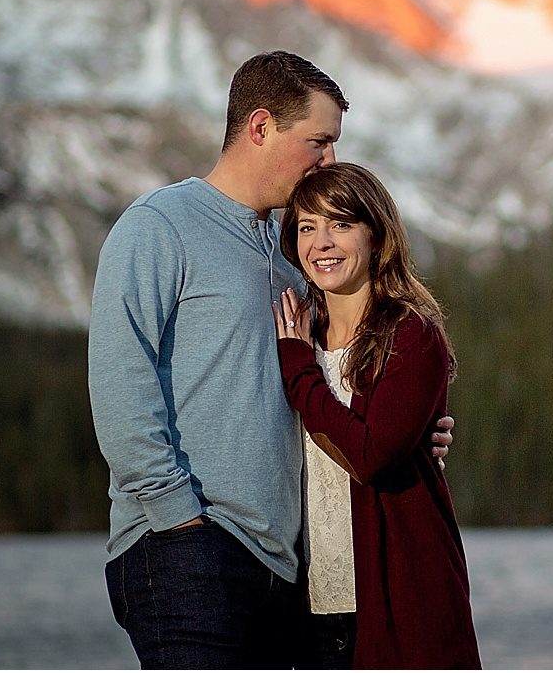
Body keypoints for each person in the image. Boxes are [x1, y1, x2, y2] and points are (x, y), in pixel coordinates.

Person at [88, 51, 454, 669]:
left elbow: (320, 391)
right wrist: (179, 519)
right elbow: (120, 384)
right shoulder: (158, 227)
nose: (329, 160)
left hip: (285, 577)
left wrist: (411, 431)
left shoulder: (295, 258)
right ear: (261, 127)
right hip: (188, 554)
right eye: (319, 141)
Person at [274, 162, 482, 669]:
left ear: (375, 236)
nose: (322, 242)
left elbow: (368, 456)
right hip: (310, 610)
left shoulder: (410, 335)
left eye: (340, 224)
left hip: (400, 603)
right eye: (307, 227)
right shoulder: (294, 337)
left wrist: (300, 369)